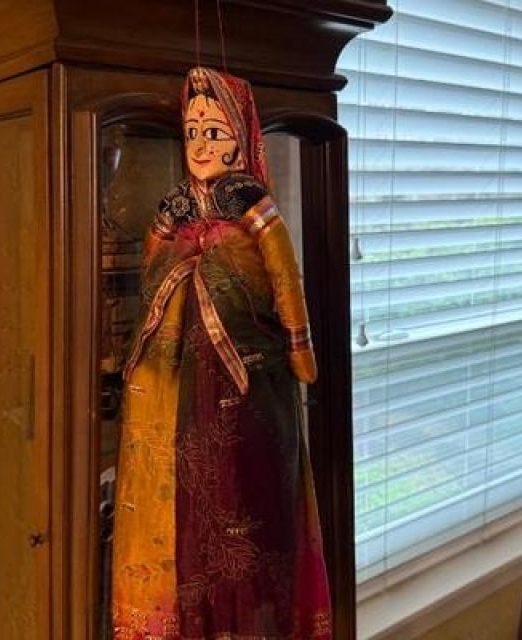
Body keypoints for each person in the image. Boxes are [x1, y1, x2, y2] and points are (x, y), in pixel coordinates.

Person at [112, 66, 331, 640]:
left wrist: (299, 346)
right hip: (179, 370)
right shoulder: (176, 206)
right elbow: (152, 264)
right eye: (192, 132)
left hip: (248, 375)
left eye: (214, 132)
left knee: (245, 495)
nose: (201, 145)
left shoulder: (249, 201)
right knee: (185, 492)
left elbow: (283, 274)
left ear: (240, 138)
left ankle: (249, 613)